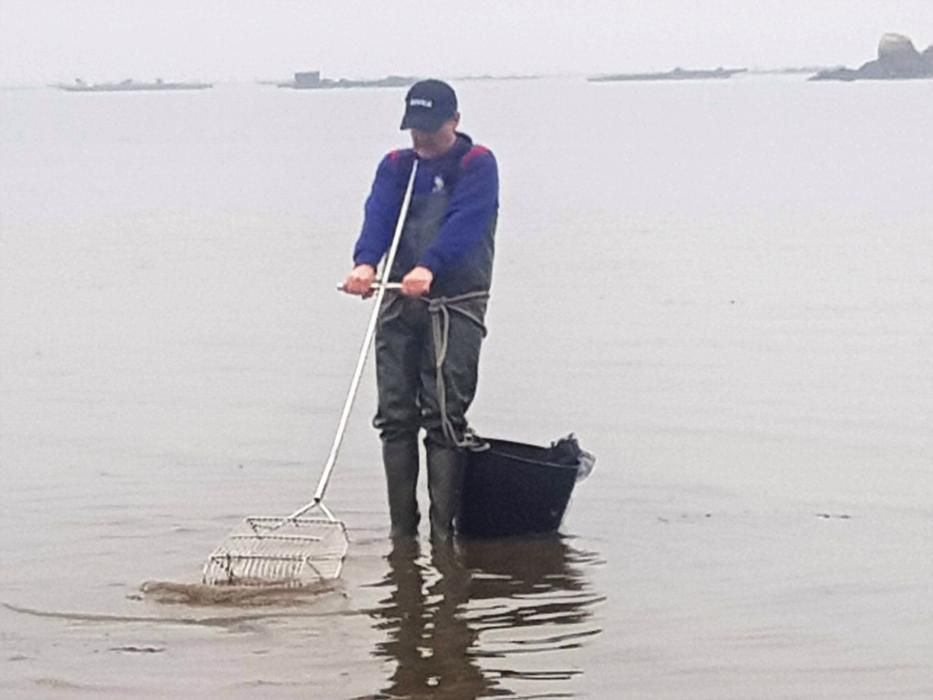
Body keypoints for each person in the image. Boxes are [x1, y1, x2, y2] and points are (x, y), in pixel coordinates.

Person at [343, 79, 499, 540]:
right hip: (398, 300)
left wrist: (430, 266)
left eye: (431, 128)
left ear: (454, 121)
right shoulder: (396, 165)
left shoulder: (477, 164)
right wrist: (365, 263)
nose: (423, 139)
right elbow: (380, 216)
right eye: (415, 129)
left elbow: (467, 222)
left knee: (444, 415)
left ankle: (442, 535)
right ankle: (401, 534)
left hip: (456, 303)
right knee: (395, 416)